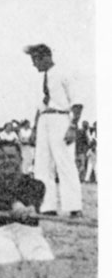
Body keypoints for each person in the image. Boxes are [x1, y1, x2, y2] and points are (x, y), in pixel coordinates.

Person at [24, 43, 83, 217]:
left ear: (45, 57)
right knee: (41, 165)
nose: (34, 64)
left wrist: (73, 126)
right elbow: (41, 104)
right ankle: (46, 206)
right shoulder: (42, 79)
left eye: (35, 60)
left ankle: (73, 206)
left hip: (61, 119)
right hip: (44, 120)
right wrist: (35, 128)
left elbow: (77, 102)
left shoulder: (64, 73)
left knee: (65, 162)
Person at [0, 139, 53, 264]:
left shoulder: (36, 184)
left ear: (20, 159)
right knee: (6, 259)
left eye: (11, 157)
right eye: (1, 158)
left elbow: (33, 199)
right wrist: (14, 205)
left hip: (29, 232)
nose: (7, 161)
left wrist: (30, 208)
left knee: (42, 258)